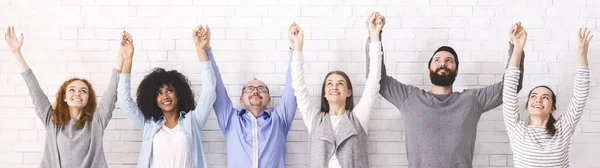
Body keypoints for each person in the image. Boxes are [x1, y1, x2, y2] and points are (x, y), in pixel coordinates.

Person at [364, 13, 526, 167]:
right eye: (437, 60)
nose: (443, 63)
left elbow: (511, 87)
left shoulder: (471, 100)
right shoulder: (410, 98)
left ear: (456, 71)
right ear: (429, 70)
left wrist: (515, 47)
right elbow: (377, 80)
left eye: (449, 61)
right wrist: (374, 36)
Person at [5, 25, 122, 168]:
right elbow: (33, 88)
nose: (77, 93)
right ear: (64, 97)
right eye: (71, 90)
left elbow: (111, 92)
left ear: (88, 99)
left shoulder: (96, 123)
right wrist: (16, 52)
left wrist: (122, 54)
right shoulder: (51, 120)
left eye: (83, 91)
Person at [291, 14, 383, 168]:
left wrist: (374, 36)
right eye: (329, 84)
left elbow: (373, 82)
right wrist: (298, 46)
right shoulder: (314, 120)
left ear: (349, 92)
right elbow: (299, 87)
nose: (334, 87)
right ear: (325, 93)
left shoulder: (358, 118)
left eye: (340, 83)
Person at [117, 26, 216, 168]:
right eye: (159, 93)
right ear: (154, 100)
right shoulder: (149, 125)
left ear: (179, 94)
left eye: (169, 90)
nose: (165, 96)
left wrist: (201, 49)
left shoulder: (193, 122)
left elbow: (209, 91)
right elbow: (124, 101)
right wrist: (127, 60)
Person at [206, 24, 298, 168]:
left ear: (269, 99)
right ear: (241, 100)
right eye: (249, 88)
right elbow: (216, 85)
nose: (255, 91)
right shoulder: (231, 120)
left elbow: (292, 86)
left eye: (261, 88)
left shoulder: (280, 120)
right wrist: (206, 50)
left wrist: (295, 47)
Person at [502, 27, 592, 167]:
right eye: (533, 96)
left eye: (545, 97)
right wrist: (517, 48)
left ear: (552, 108)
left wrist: (582, 54)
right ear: (527, 105)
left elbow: (580, 95)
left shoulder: (563, 129)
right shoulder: (517, 130)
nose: (538, 99)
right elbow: (508, 89)